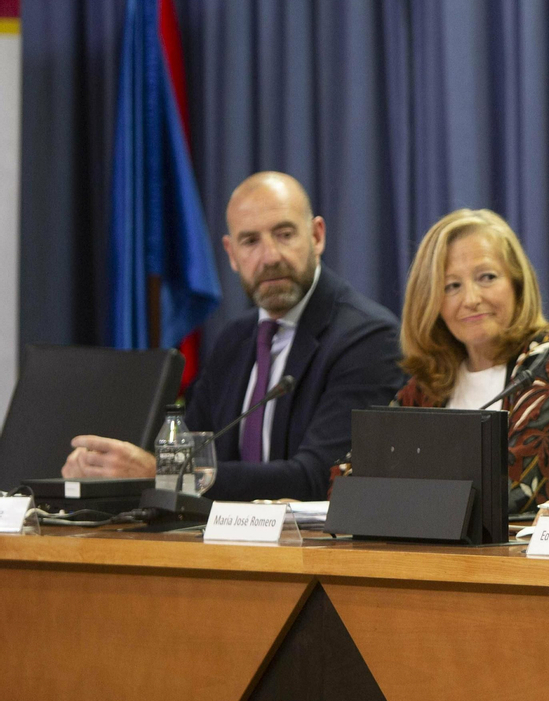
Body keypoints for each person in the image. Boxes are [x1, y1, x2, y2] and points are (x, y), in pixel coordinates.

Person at [61, 172, 404, 501]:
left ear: (317, 236)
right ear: (231, 254)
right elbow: (191, 449)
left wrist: (159, 471)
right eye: (250, 241)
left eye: (284, 234)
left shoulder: (369, 339)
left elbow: (319, 478)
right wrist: (104, 468)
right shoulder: (234, 341)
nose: (269, 257)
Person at [385, 209, 549, 512]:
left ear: (517, 284)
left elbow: (514, 489)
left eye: (486, 277)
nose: (471, 298)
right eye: (451, 286)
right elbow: (358, 474)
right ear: (431, 300)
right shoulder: (431, 383)